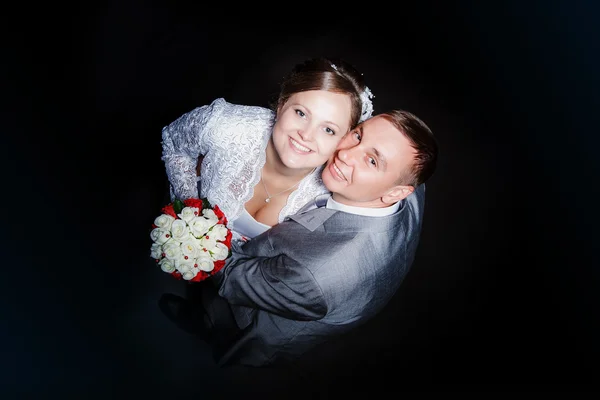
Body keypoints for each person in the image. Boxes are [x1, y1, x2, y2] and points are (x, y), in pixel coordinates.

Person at [159, 109, 439, 367]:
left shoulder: (319, 274)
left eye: (372, 160)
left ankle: (201, 321)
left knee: (218, 318)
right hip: (329, 286)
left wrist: (192, 227)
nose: (346, 154)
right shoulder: (410, 178)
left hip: (256, 320)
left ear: (396, 193)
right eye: (358, 135)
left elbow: (232, 276)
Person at [161, 57, 374, 244]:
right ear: (281, 105)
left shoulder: (327, 201)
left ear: (344, 139)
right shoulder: (224, 125)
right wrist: (189, 210)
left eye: (328, 129)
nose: (306, 135)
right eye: (301, 113)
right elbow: (173, 143)